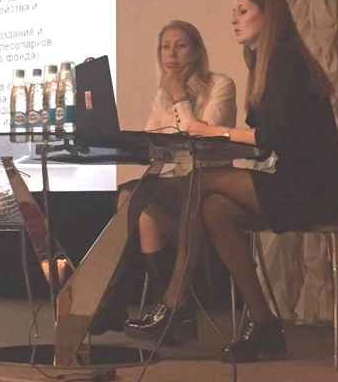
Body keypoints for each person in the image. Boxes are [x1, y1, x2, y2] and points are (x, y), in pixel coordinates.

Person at [123, 0, 338, 362]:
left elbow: (275, 136)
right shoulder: (264, 60)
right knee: (215, 208)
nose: (233, 20)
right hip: (293, 179)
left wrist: (215, 131)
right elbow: (264, 137)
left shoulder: (284, 59)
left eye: (242, 11)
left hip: (314, 188)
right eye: (233, 12)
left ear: (269, 15)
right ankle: (264, 325)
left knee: (198, 182)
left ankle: (176, 301)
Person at [89, 20, 236, 334]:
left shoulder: (221, 85)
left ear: (196, 52)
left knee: (131, 197)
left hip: (210, 183)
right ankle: (172, 311)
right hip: (175, 181)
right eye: (165, 47)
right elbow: (152, 141)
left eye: (181, 45)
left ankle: (129, 304)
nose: (172, 54)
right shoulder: (163, 94)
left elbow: (203, 137)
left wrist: (180, 95)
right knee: (140, 210)